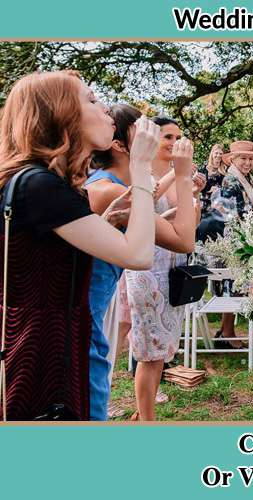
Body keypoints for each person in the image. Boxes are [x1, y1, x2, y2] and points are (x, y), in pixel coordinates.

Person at [0, 70, 156, 420]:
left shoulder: (44, 184)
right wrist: (142, 167)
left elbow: (49, 260)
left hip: (50, 343)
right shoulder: (40, 185)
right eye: (91, 99)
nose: (105, 111)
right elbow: (139, 254)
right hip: (41, 354)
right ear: (61, 114)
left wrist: (102, 223)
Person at [84, 104, 197, 420]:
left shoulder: (115, 186)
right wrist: (184, 175)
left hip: (98, 304)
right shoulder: (108, 191)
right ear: (119, 145)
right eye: (143, 129)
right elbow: (184, 239)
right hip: (90, 310)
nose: (153, 134)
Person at [124, 116, 196, 422]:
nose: (174, 143)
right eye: (168, 137)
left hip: (173, 268)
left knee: (161, 352)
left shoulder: (176, 176)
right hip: (146, 268)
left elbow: (186, 226)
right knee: (148, 352)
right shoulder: (139, 173)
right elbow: (143, 204)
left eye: (178, 137)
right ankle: (147, 420)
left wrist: (193, 196)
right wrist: (180, 175)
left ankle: (144, 416)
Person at [213, 140, 253, 349]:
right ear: (233, 159)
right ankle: (227, 333)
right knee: (234, 285)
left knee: (239, 286)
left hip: (248, 235)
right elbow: (227, 213)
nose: (247, 162)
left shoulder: (248, 178)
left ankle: (227, 331)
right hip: (235, 237)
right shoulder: (230, 181)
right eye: (243, 158)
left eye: (250, 159)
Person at [198, 143, 226, 217]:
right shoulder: (203, 169)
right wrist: (209, 189)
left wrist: (219, 189)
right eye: (216, 153)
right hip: (205, 201)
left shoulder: (225, 170)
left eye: (221, 153)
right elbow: (197, 186)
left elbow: (229, 187)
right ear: (212, 154)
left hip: (220, 203)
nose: (218, 155)